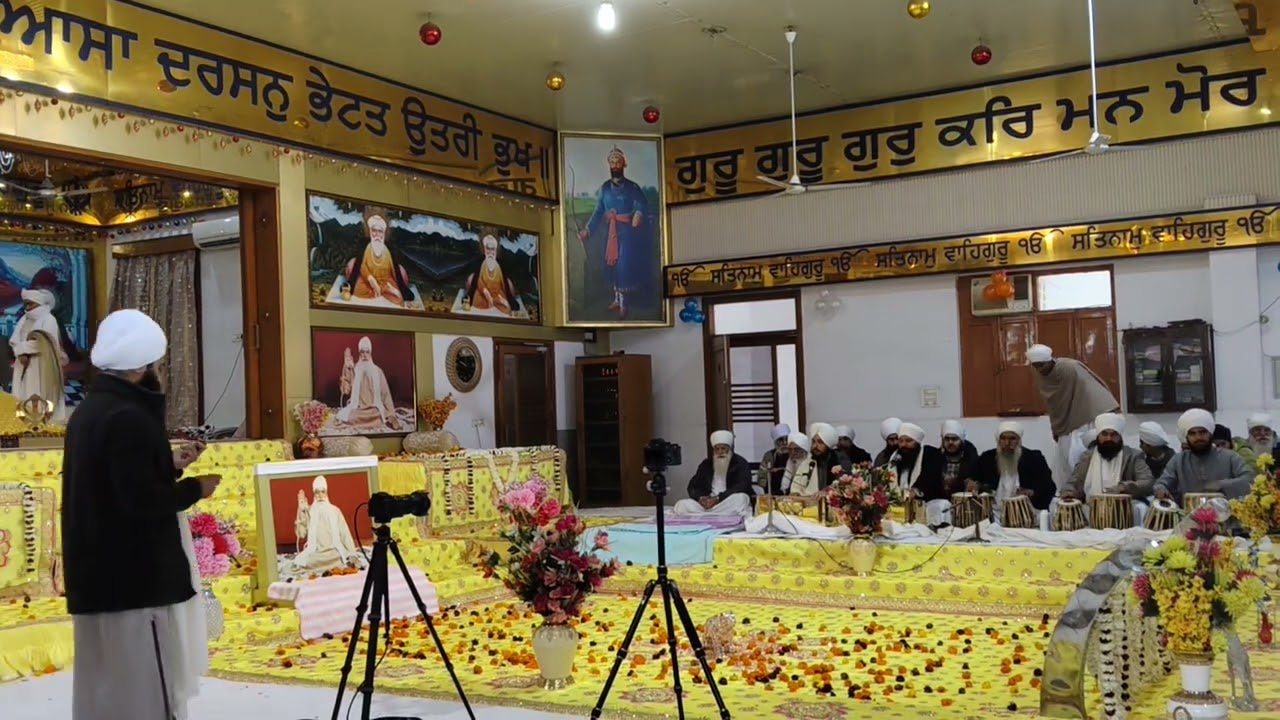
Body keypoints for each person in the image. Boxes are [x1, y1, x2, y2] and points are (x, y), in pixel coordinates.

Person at [62, 308, 221, 720]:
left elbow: (113, 481)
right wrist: (193, 489)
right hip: (135, 582)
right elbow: (141, 502)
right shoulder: (129, 417)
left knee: (106, 692)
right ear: (144, 365)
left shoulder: (91, 412)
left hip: (99, 576)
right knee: (146, 695)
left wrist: (170, 463)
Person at [1026, 344, 1120, 490]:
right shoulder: (1042, 377)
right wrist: (1056, 427)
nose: (1039, 370)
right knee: (1064, 463)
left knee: (1080, 457)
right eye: (1035, 366)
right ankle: (1068, 496)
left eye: (1041, 365)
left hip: (1087, 417)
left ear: (1050, 360)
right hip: (1066, 424)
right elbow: (1055, 405)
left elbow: (1080, 393)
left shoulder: (1068, 368)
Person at [577, 147, 651, 320]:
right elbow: (597, 212)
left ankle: (625, 303)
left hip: (627, 234)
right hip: (611, 234)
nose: (615, 165)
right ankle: (617, 299)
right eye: (612, 162)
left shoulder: (632, 187)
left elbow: (641, 203)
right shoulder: (605, 188)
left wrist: (638, 215)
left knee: (624, 266)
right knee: (612, 266)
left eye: (618, 162)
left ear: (623, 164)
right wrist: (587, 229)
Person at [1154, 409, 1253, 504]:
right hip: (1189, 517)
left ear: (1210, 434)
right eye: (1193, 434)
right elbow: (1162, 482)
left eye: (1202, 432)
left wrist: (1221, 484)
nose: (1198, 437)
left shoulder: (1230, 456)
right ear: (1186, 437)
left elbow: (1249, 479)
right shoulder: (1178, 460)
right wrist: (1161, 488)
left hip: (1227, 517)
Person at [9, 288, 69, 422]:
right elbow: (14, 339)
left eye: (30, 304)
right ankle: (26, 420)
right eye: (25, 304)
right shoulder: (24, 319)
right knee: (25, 392)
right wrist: (19, 353)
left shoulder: (49, 320)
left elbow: (44, 343)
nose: (27, 307)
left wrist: (22, 349)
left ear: (39, 303)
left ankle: (45, 422)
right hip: (23, 364)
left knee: (43, 392)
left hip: (42, 363)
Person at [971, 421, 1056, 512]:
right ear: (998, 440)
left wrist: (1032, 492)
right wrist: (974, 485)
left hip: (1025, 512)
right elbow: (977, 481)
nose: (1007, 443)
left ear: (1019, 441)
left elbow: (1049, 487)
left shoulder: (1034, 459)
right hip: (994, 511)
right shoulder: (987, 458)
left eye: (1012, 438)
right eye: (1003, 438)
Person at [287, 476, 361, 575]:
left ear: (326, 493)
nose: (320, 495)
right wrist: (301, 511)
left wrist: (352, 552)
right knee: (301, 564)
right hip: (317, 554)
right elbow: (301, 534)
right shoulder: (309, 510)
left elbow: (345, 534)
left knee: (341, 559)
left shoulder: (335, 510)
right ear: (314, 494)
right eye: (317, 492)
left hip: (333, 553)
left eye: (323, 492)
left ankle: (332, 564)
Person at [673, 430, 753, 516]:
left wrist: (718, 498)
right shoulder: (706, 464)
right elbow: (692, 486)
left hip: (726, 501)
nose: (720, 452)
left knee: (741, 498)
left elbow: (742, 486)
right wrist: (701, 498)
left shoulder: (740, 463)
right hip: (708, 504)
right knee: (681, 505)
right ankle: (713, 514)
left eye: (723, 448)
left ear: (729, 449)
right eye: (717, 449)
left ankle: (706, 515)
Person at [343, 208, 412, 306]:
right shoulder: (365, 247)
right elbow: (361, 266)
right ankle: (375, 293)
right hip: (367, 283)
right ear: (370, 231)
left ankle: (383, 292)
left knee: (397, 297)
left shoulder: (389, 250)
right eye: (374, 230)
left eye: (380, 231)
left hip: (386, 283)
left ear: (384, 233)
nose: (377, 235)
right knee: (358, 290)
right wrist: (371, 279)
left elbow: (395, 272)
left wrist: (394, 289)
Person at [335, 336, 402, 432]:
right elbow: (345, 391)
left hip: (374, 410)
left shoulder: (378, 371)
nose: (365, 355)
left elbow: (386, 395)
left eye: (367, 352)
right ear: (359, 353)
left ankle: (374, 420)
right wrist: (346, 368)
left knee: (380, 415)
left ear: (370, 353)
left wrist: (391, 414)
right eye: (362, 352)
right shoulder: (354, 369)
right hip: (358, 410)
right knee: (349, 417)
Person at [890, 422, 949, 524]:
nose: (904, 445)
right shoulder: (896, 458)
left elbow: (931, 477)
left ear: (917, 442)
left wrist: (917, 489)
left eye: (908, 441)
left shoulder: (930, 454)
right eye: (901, 441)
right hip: (901, 508)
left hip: (927, 504)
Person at [465, 231, 518, 314]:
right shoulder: (480, 263)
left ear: (496, 249)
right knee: (477, 305)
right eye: (487, 248)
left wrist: (507, 300)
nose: (490, 252)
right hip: (482, 295)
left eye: (492, 249)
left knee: (506, 308)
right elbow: (478, 282)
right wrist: (486, 293)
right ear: (484, 249)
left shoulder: (500, 265)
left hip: (497, 295)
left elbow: (505, 285)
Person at [939, 419, 980, 495]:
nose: (950, 442)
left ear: (961, 441)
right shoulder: (935, 459)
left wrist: (975, 485)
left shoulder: (974, 460)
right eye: (947, 439)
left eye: (954, 439)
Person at [809, 422, 853, 489]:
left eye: (820, 442)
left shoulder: (841, 459)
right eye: (813, 442)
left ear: (828, 444)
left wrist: (827, 491)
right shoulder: (810, 459)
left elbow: (845, 485)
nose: (815, 446)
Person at [757, 423, 791, 490]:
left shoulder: (795, 454)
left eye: (786, 439)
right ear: (776, 442)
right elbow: (761, 478)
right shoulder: (769, 456)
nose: (784, 443)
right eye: (781, 440)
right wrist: (768, 487)